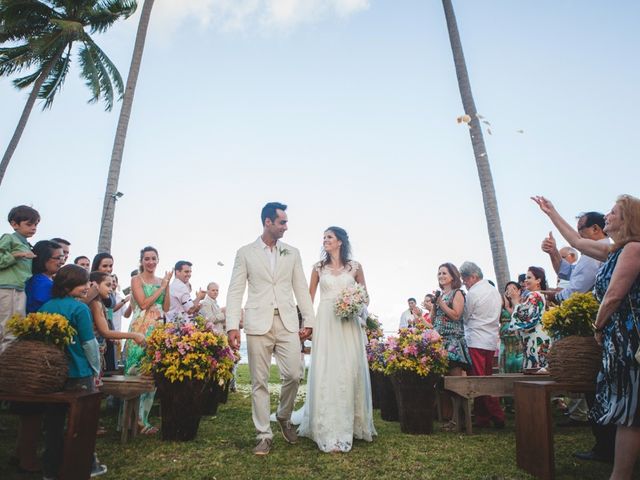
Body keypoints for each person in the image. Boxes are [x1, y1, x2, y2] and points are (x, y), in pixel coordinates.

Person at [534, 195, 640, 477]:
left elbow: (615, 294)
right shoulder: (614, 251)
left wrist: (598, 325)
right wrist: (551, 212)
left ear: (627, 218)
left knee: (631, 411)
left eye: (614, 211)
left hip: (632, 338)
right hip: (619, 337)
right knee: (628, 412)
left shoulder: (633, 249)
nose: (607, 215)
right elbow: (577, 242)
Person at [226, 202, 315, 456]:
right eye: (282, 222)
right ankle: (264, 434)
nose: (286, 227)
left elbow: (301, 288)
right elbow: (235, 290)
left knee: (295, 373)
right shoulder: (245, 253)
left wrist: (309, 320)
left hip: (288, 322)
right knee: (259, 382)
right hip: (257, 323)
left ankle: (284, 416)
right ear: (268, 222)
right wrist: (232, 324)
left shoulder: (293, 252)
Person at [297, 226, 376, 452]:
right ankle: (326, 425)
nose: (325, 240)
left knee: (349, 368)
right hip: (326, 321)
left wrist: (354, 303)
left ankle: (354, 422)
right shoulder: (317, 268)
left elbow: (366, 297)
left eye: (329, 237)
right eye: (323, 237)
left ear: (340, 241)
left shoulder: (355, 267)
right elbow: (308, 300)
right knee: (327, 369)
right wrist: (307, 326)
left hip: (348, 323)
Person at [38, 265, 106, 478]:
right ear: (70, 285)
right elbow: (89, 344)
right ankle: (87, 466)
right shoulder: (80, 309)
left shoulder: (45, 308)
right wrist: (96, 370)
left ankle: (51, 469)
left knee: (53, 425)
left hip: (52, 375)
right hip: (79, 372)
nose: (88, 287)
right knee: (83, 424)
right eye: (84, 283)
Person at [124, 246, 172, 434]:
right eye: (147, 259)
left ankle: (142, 420)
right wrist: (161, 287)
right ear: (142, 261)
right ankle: (129, 419)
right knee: (135, 370)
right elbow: (143, 304)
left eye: (153, 258)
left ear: (158, 260)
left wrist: (166, 286)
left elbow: (166, 307)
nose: (150, 262)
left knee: (152, 371)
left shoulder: (162, 281)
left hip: (158, 328)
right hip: (140, 327)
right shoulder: (136, 279)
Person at [425, 262, 471, 428]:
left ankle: (460, 419)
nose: (441, 276)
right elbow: (433, 320)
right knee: (443, 383)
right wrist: (433, 306)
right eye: (439, 273)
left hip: (453, 343)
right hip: (440, 342)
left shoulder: (457, 293)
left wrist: (442, 304)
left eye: (444, 273)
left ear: (453, 276)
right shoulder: (440, 295)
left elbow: (456, 315)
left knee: (455, 383)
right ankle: (448, 417)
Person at [459, 261, 505, 429]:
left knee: (480, 381)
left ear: (473, 276)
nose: (464, 282)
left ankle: (497, 415)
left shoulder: (473, 293)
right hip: (490, 340)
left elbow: (465, 316)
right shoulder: (494, 291)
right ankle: (482, 417)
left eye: (465, 278)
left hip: (476, 339)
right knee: (486, 377)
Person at [0, 205, 38, 353]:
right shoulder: (9, 238)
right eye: (29, 224)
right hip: (7, 288)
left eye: (35, 224)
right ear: (14, 224)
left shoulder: (26, 244)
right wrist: (17, 255)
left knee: (15, 330)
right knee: (8, 330)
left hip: (19, 289)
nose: (34, 228)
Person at [508, 266, 551, 370]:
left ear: (538, 280)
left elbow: (527, 317)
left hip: (536, 339)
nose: (526, 280)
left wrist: (514, 300)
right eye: (526, 278)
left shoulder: (535, 295)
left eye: (529, 278)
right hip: (537, 337)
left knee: (536, 370)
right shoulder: (539, 295)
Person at [499, 281, 524, 373]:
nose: (510, 291)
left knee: (517, 364)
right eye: (508, 289)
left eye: (513, 288)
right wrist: (504, 303)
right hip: (505, 341)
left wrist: (508, 304)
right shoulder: (501, 303)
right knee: (504, 363)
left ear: (519, 291)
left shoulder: (521, 303)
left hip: (517, 341)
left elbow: (516, 315)